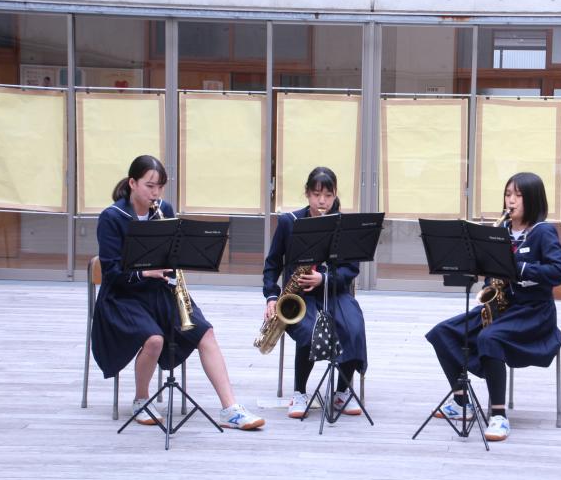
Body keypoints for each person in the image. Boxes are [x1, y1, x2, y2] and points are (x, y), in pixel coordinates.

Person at [91, 155, 264, 430]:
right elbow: (111, 273)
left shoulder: (164, 209)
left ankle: (230, 408)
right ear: (133, 183)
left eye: (160, 186)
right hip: (122, 296)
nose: (156, 193)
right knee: (154, 340)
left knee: (205, 332)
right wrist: (144, 273)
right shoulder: (112, 217)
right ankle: (141, 400)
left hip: (160, 291)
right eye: (150, 186)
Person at [425, 172, 561, 441]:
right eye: (507, 194)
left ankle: (499, 416)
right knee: (442, 332)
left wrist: (521, 268)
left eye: (518, 195)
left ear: (533, 199)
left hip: (534, 312)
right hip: (504, 308)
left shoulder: (542, 232)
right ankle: (461, 402)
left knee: (490, 338)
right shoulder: (501, 231)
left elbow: (560, 272)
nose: (510, 201)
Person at [263, 167, 367, 418]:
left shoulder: (344, 225)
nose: (322, 201)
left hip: (335, 292)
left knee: (353, 328)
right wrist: (271, 296)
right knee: (309, 331)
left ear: (335, 195)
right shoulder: (289, 222)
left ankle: (341, 392)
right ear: (307, 194)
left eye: (328, 195)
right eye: (317, 194)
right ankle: (299, 392)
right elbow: (272, 263)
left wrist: (324, 278)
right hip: (299, 297)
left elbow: (351, 269)